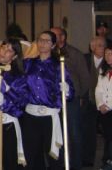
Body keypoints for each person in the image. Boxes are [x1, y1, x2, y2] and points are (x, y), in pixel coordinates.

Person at [22, 30, 74, 169]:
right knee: (31, 154)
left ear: (53, 45)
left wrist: (66, 89)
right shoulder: (28, 64)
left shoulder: (58, 66)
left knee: (53, 156)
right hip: (30, 116)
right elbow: (21, 85)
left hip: (49, 116)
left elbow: (70, 93)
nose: (43, 43)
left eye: (47, 41)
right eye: (40, 40)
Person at [50, 26, 87, 169]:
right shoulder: (50, 54)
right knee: (57, 135)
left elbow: (84, 77)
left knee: (74, 134)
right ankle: (59, 164)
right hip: (54, 101)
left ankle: (76, 165)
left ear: (63, 37)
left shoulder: (74, 54)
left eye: (55, 35)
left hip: (71, 100)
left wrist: (79, 95)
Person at [0, 39, 28, 168]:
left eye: (9, 50)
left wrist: (7, 92)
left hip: (8, 123)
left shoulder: (18, 76)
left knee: (9, 161)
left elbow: (21, 103)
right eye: (3, 47)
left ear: (14, 56)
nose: (4, 52)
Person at [83, 36, 105, 165]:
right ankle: (88, 159)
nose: (103, 48)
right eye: (100, 45)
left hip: (105, 102)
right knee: (88, 131)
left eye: (104, 45)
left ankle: (106, 159)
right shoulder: (85, 59)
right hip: (89, 101)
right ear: (92, 47)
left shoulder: (109, 60)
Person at [96, 45, 112, 168]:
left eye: (111, 54)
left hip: (110, 107)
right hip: (105, 110)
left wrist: (109, 105)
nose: (108, 56)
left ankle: (108, 160)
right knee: (107, 136)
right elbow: (98, 89)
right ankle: (107, 160)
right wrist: (100, 104)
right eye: (106, 54)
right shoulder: (103, 70)